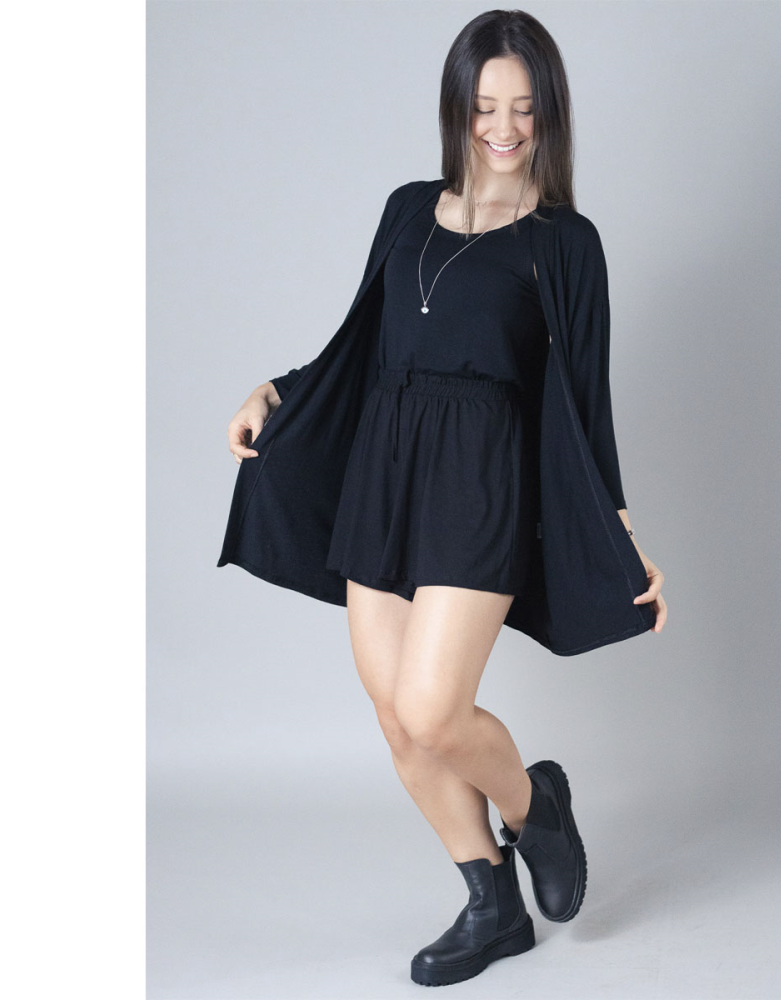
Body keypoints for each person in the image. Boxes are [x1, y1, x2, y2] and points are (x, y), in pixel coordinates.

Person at [221, 9, 667, 989]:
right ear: (456, 109)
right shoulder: (405, 209)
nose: (503, 127)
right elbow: (361, 346)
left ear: (548, 115)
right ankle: (491, 904)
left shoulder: (564, 243)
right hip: (383, 472)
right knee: (396, 717)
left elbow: (586, 403)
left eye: (523, 108)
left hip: (479, 481)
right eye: (484, 106)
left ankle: (536, 807)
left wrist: (620, 535)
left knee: (434, 709)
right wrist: (276, 392)